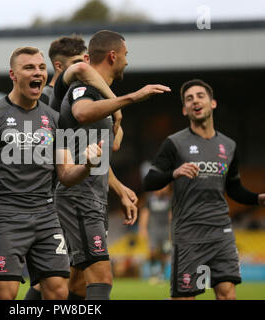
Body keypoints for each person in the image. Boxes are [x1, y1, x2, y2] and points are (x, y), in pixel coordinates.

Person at [0, 46, 102, 300]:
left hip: (45, 214)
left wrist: (87, 165)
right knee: (5, 294)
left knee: (58, 291)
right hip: (7, 215)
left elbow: (65, 175)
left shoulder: (56, 120)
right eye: (29, 67)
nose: (38, 73)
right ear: (13, 74)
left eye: (42, 68)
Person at [55, 30, 170, 300]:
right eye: (126, 56)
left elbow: (98, 156)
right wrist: (130, 99)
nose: (127, 62)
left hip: (90, 194)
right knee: (102, 277)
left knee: (78, 283)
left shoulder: (100, 97)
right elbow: (81, 113)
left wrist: (119, 189)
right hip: (79, 196)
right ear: (113, 55)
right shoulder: (85, 89)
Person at [144, 79, 265, 300]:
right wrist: (174, 173)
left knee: (227, 294)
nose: (195, 101)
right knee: (185, 297)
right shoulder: (174, 143)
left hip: (221, 231)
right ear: (184, 109)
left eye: (200, 96)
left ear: (213, 103)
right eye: (189, 99)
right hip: (188, 232)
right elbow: (149, 181)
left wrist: (258, 198)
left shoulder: (229, 146)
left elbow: (234, 188)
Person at [39, 35, 87, 108]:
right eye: (77, 62)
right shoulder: (43, 97)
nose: (84, 66)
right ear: (59, 66)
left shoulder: (84, 91)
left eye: (86, 61)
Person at [139, 184, 172, 283]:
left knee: (164, 252)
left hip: (165, 229)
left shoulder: (169, 199)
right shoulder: (149, 199)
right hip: (153, 229)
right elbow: (145, 213)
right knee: (152, 251)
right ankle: (153, 272)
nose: (164, 189)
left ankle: (160, 274)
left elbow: (171, 215)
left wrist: (172, 230)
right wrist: (143, 228)